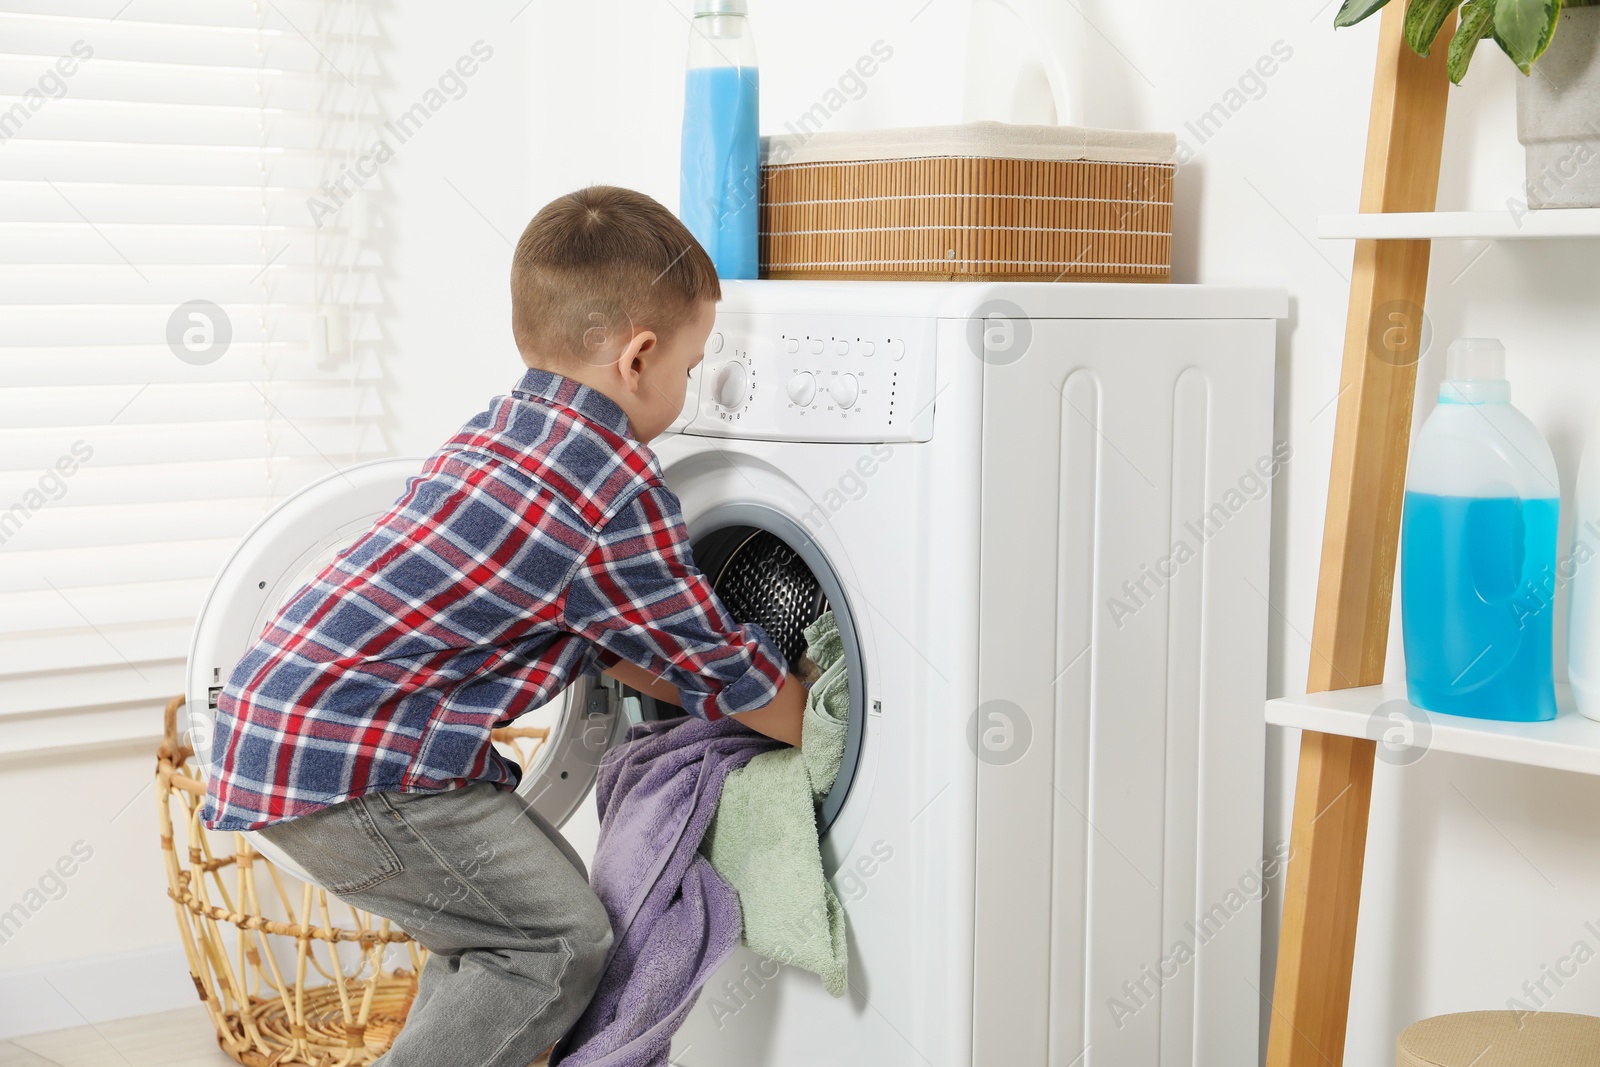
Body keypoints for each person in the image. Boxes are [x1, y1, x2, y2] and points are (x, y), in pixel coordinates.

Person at [200, 185, 806, 1067]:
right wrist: (820, 732)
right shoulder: (616, 492)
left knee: (494, 938)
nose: (688, 382)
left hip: (289, 728)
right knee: (554, 940)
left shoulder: (499, 430)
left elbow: (623, 645)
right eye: (692, 361)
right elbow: (716, 665)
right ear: (639, 359)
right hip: (359, 765)